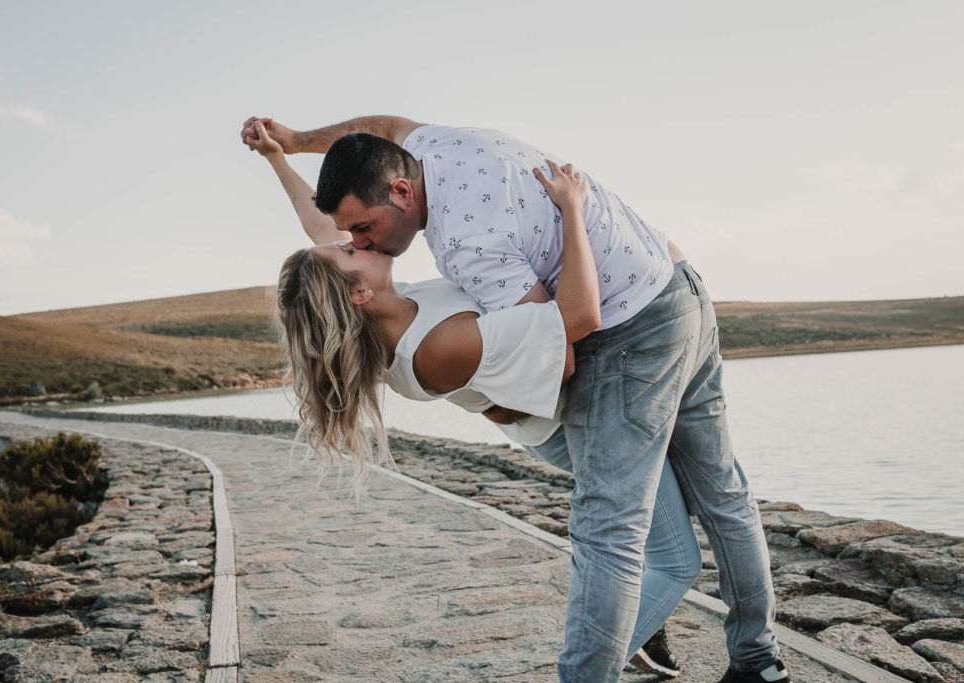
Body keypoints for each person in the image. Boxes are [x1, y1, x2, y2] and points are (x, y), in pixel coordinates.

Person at [243, 115, 786, 683]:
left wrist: (284, 153)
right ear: (355, 293)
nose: (352, 239)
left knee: (664, 526)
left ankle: (737, 656)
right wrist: (573, 209)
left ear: (400, 187)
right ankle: (743, 656)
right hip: (617, 350)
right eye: (350, 242)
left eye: (356, 230)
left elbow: (340, 192)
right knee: (670, 531)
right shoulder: (436, 330)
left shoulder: (379, 277)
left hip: (642, 324)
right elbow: (569, 342)